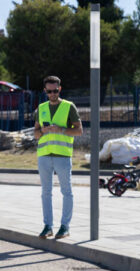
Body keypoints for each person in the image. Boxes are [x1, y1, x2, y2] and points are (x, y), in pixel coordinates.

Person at [34, 75, 83, 239]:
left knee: (66, 192)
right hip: (44, 156)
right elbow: (35, 134)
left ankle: (65, 227)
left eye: (55, 91)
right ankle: (47, 226)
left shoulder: (69, 107)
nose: (53, 94)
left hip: (62, 156)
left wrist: (61, 129)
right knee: (45, 193)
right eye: (49, 91)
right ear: (45, 91)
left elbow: (79, 131)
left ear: (60, 89)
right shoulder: (40, 108)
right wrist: (43, 131)